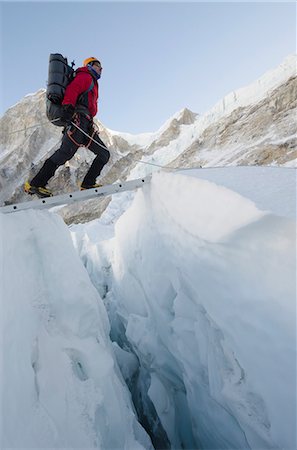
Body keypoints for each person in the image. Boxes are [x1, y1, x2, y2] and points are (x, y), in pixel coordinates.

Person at [25, 57, 110, 197]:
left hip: (86, 124)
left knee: (104, 154)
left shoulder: (93, 82)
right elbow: (73, 89)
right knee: (64, 153)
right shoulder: (85, 76)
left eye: (101, 66)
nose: (101, 69)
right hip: (78, 122)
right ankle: (35, 184)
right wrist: (68, 107)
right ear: (89, 66)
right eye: (97, 65)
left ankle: (88, 183)